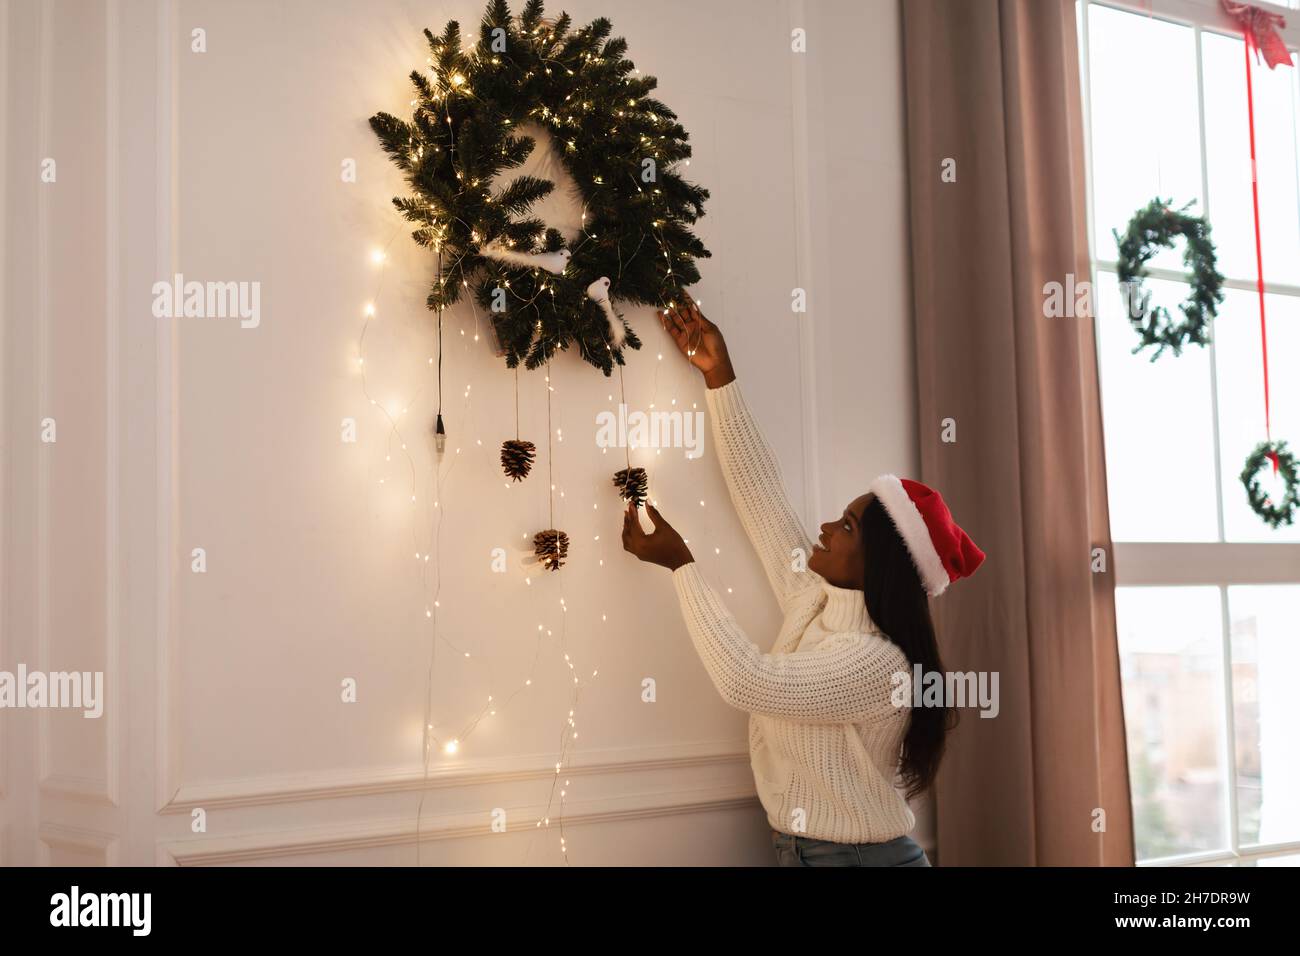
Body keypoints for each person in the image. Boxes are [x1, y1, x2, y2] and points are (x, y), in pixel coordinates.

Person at [621, 296, 985, 867]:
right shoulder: (814, 599)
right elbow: (763, 497)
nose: (824, 528)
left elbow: (748, 680)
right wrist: (720, 375)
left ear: (881, 563)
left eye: (846, 526)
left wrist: (682, 566)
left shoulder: (877, 664)